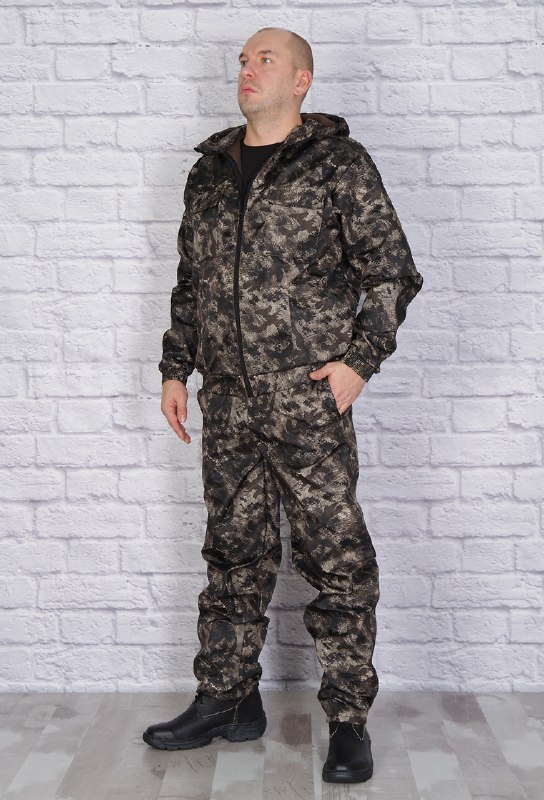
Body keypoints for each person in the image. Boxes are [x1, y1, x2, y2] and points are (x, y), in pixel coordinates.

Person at [143, 26, 423, 785]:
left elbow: (392, 271)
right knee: (232, 553)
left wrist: (359, 364)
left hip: (308, 401)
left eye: (265, 59)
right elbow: (192, 283)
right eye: (243, 60)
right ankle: (228, 699)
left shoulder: (338, 162)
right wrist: (176, 368)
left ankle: (348, 721)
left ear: (301, 80)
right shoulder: (209, 171)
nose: (248, 69)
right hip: (229, 403)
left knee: (336, 559)